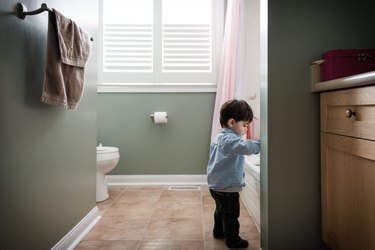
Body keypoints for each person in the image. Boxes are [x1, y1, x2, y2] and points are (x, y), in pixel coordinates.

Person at [207, 99, 260, 249]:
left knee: (220, 210)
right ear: (231, 123)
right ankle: (233, 240)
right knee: (231, 214)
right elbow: (246, 147)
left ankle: (218, 232)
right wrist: (263, 143)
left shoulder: (221, 137)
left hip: (216, 184)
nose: (245, 129)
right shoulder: (230, 140)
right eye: (244, 125)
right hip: (226, 187)